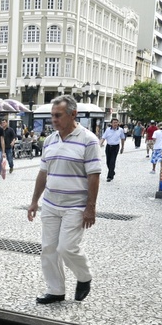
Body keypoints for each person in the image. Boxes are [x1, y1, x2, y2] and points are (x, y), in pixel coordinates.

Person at [27, 95, 100, 305]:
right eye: (52, 116)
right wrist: (34, 202)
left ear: (73, 114)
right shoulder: (50, 140)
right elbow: (43, 173)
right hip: (51, 204)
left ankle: (84, 277)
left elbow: (94, 175)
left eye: (58, 115)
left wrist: (90, 207)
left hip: (75, 206)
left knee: (67, 248)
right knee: (49, 248)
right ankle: (56, 290)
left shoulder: (89, 140)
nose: (54, 120)